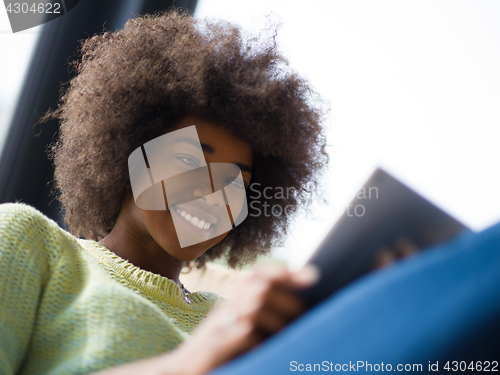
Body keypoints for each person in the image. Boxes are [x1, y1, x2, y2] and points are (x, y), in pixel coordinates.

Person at [0, 10, 327, 375]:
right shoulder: (29, 242)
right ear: (127, 157)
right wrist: (189, 362)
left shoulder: (236, 318)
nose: (211, 192)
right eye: (188, 158)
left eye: (235, 181)